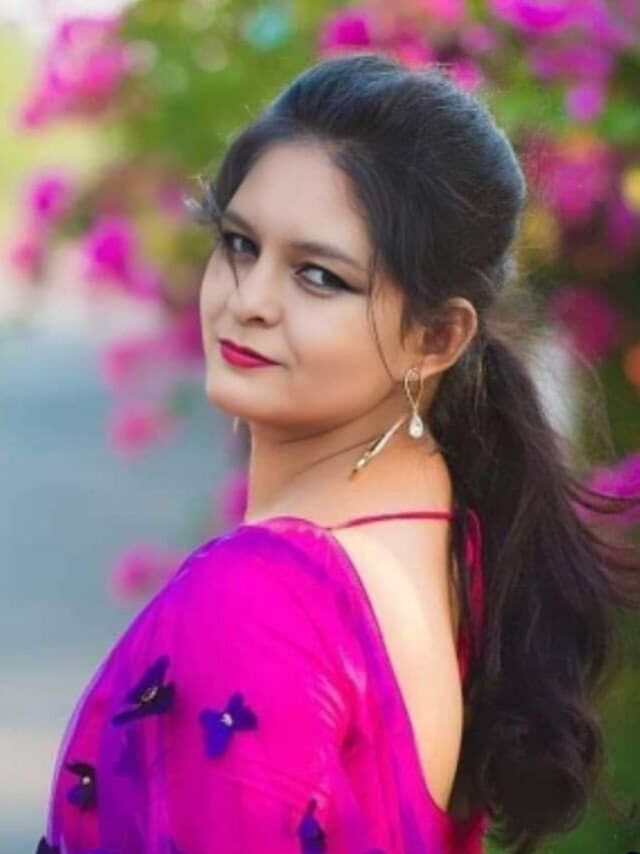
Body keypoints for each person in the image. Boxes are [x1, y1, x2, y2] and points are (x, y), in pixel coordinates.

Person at [38, 51, 640, 854]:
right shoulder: (442, 533)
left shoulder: (258, 599)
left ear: (437, 338)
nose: (249, 300)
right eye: (240, 244)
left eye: (319, 277)